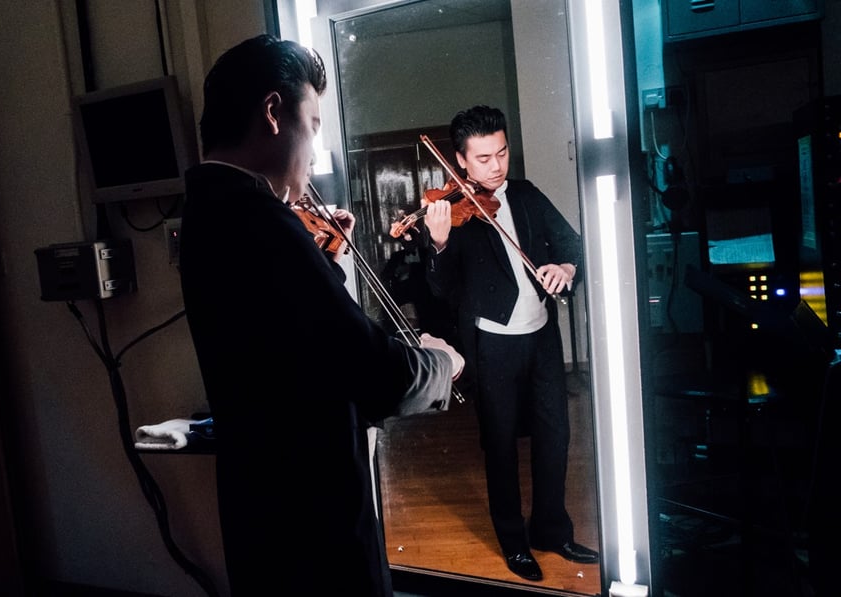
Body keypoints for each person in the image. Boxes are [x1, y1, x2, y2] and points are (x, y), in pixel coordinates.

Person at [178, 34, 465, 596]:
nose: (312, 153)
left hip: (259, 513)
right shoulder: (261, 221)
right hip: (313, 524)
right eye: (311, 125)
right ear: (272, 113)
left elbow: (283, 339)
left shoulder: (207, 210)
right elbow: (374, 374)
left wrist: (322, 260)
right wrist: (441, 363)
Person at [422, 105, 597, 582]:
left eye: (501, 153)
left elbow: (572, 244)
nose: (496, 166)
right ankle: (514, 543)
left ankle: (551, 531)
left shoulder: (525, 194)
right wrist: (439, 245)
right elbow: (442, 291)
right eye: (482, 159)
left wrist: (566, 268)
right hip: (493, 345)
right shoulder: (451, 214)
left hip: (541, 337)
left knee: (555, 436)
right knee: (500, 446)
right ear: (461, 161)